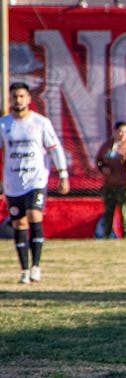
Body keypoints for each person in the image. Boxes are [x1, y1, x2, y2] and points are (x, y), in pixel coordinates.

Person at [0, 83, 70, 284]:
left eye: (22, 96)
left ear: (29, 99)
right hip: (13, 182)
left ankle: (36, 266)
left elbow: (55, 149)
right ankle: (24, 269)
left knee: (33, 215)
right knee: (19, 223)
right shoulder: (4, 124)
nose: (18, 100)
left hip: (36, 179)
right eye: (15, 96)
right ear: (10, 99)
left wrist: (63, 174)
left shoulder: (40, 123)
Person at [94, 121, 126, 239]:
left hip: (124, 184)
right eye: (120, 131)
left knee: (124, 210)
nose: (122, 134)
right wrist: (103, 167)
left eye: (125, 132)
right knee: (108, 211)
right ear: (114, 132)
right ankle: (106, 235)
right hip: (109, 184)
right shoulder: (107, 146)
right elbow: (98, 161)